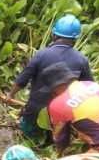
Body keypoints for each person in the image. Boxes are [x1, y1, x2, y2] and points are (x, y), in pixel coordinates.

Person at [7, 14, 94, 143]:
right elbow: (89, 88)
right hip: (62, 118)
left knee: (27, 132)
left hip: (35, 113)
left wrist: (10, 96)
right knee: (53, 139)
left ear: (54, 35)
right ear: (75, 39)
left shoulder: (42, 54)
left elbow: (22, 80)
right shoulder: (82, 60)